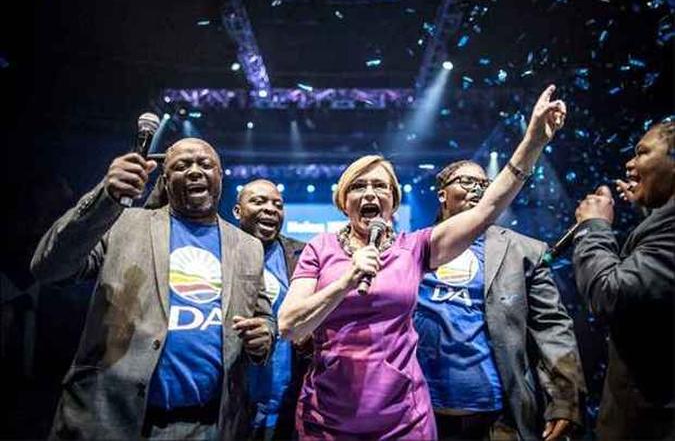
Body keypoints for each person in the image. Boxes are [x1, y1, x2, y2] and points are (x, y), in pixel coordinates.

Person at [278, 85, 568, 439]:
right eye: (359, 186)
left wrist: (533, 141)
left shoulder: (414, 247)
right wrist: (345, 282)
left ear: (393, 201)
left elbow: (488, 208)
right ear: (343, 201)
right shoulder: (319, 248)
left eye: (381, 187)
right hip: (327, 415)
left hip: (403, 417)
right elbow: (290, 325)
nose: (370, 193)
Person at [30, 138, 275, 440]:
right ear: (165, 179)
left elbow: (263, 317)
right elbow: (49, 267)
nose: (195, 171)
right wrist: (104, 197)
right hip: (113, 421)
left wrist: (264, 335)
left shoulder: (248, 246)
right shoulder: (122, 223)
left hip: (210, 425)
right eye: (182, 166)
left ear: (220, 176)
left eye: (205, 164)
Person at [414, 160, 585, 440]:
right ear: (442, 193)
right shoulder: (413, 247)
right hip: (419, 413)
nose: (478, 189)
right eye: (467, 182)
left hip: (498, 416)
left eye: (484, 184)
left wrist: (566, 398)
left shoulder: (525, 251)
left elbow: (552, 327)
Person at [573, 121, 675, 440]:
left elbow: (611, 295)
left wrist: (593, 227)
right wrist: (648, 208)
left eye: (642, 153)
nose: (629, 164)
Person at [232, 179, 307, 441]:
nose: (271, 209)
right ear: (237, 211)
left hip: (289, 403)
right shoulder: (221, 250)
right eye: (258, 201)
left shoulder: (302, 256)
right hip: (232, 404)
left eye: (278, 204)